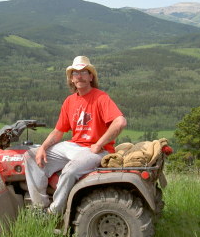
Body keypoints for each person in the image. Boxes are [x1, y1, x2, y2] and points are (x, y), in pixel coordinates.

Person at [24, 56, 127, 215]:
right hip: (73, 146)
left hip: (97, 150)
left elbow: (120, 122)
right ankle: (40, 208)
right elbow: (59, 131)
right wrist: (43, 147)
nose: (79, 76)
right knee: (30, 156)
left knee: (70, 171)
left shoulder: (100, 97)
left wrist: (99, 144)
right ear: (71, 79)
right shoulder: (69, 101)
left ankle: (54, 213)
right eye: (75, 73)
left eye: (84, 72)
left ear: (91, 77)